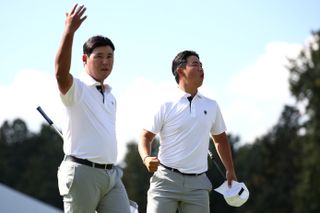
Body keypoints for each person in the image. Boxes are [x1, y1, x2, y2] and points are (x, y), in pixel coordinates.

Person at [138, 50, 237, 213]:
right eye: (195, 64)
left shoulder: (211, 105)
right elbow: (145, 136)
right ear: (180, 70)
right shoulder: (165, 104)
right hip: (165, 181)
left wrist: (230, 170)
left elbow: (220, 139)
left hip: (198, 186)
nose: (201, 69)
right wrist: (146, 158)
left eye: (201, 65)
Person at [54, 4, 130, 213]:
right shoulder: (76, 88)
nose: (105, 62)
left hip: (111, 175)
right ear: (85, 59)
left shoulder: (111, 96)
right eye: (99, 56)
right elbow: (60, 73)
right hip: (81, 173)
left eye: (110, 56)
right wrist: (69, 31)